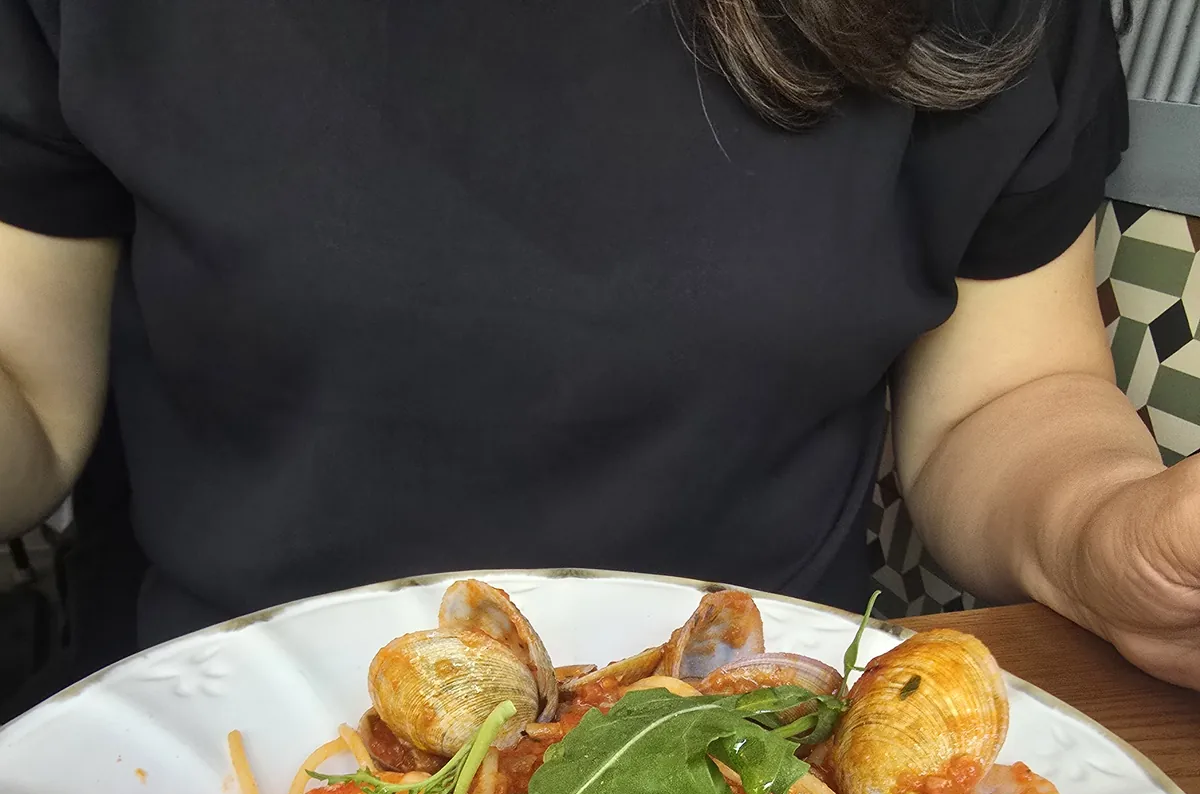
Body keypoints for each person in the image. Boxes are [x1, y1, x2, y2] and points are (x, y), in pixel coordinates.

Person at [0, 0, 1197, 705]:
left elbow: (1006, 393)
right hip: (221, 744)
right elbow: (28, 395)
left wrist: (1102, 530)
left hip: (758, 760)